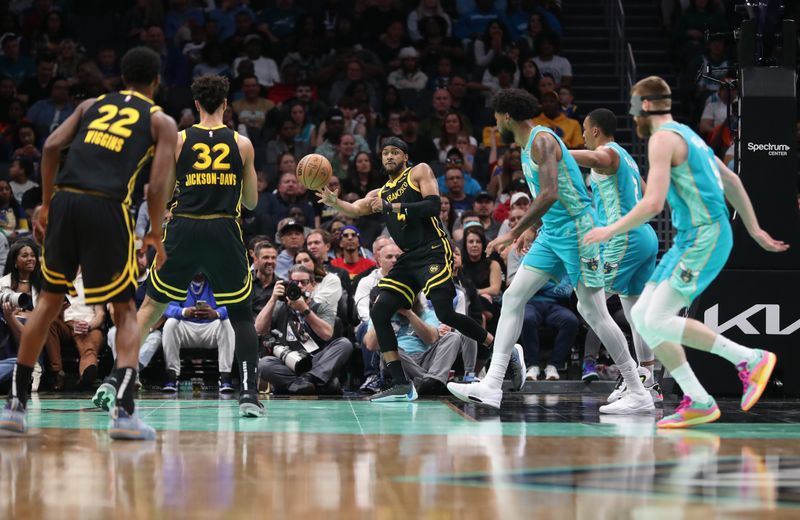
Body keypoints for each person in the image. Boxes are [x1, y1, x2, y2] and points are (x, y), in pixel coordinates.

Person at [584, 76, 788, 428]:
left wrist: (610, 229)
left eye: (634, 108)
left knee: (653, 318)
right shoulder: (687, 133)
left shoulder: (662, 139)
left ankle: (748, 359)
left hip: (704, 236)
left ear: (646, 106)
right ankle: (699, 399)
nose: (632, 117)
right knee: (645, 319)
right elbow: (733, 181)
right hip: (691, 238)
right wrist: (753, 230)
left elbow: (653, 202)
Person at [0, 47, 177, 439]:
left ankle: (14, 408)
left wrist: (45, 204)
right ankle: (125, 414)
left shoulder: (92, 105)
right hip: (107, 205)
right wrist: (153, 231)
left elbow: (49, 148)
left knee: (47, 304)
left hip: (65, 200)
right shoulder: (159, 120)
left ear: (122, 78)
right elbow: (158, 182)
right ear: (156, 81)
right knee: (125, 310)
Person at [447, 89, 651, 413]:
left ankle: (639, 390)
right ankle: (492, 386)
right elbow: (547, 198)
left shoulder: (542, 140)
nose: (495, 121)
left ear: (507, 116)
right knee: (513, 297)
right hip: (553, 232)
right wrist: (531, 228)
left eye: (497, 116)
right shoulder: (528, 145)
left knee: (592, 312)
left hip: (578, 230)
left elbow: (551, 193)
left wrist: (513, 231)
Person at [124, 74, 265, 419]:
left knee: (150, 309)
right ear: (227, 105)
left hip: (185, 227)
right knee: (242, 316)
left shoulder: (181, 139)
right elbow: (250, 203)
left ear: (197, 104)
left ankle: (118, 381)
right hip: (223, 229)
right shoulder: (243, 144)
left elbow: (165, 191)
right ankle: (248, 395)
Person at [318, 136, 494, 401]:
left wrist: (392, 206)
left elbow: (433, 206)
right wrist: (335, 202)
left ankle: (495, 347)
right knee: (380, 311)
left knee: (445, 311)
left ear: (404, 157)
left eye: (394, 152)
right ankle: (400, 384)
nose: (388, 157)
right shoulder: (380, 192)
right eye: (385, 153)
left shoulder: (419, 171)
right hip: (409, 258)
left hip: (434, 248)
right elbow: (355, 208)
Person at [570, 108, 662, 402]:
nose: (583, 135)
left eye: (584, 128)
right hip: (645, 236)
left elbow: (598, 159)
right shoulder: (629, 159)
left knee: (588, 304)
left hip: (624, 239)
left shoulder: (608, 153)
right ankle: (648, 378)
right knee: (635, 312)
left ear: (595, 130)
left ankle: (631, 378)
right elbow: (649, 198)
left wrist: (557, 151)